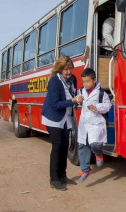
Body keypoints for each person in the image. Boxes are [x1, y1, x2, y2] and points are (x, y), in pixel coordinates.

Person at [41, 56, 84, 191]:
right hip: (53, 118)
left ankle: (63, 176)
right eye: (65, 69)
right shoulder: (54, 81)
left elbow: (74, 94)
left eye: (70, 68)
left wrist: (79, 99)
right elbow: (54, 104)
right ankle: (54, 179)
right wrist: (72, 101)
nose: (68, 72)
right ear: (60, 69)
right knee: (57, 145)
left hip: (66, 117)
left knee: (65, 145)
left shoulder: (73, 79)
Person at [77, 68, 112, 182]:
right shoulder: (81, 90)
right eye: (83, 81)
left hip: (96, 123)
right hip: (84, 123)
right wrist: (79, 100)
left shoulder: (101, 93)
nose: (85, 84)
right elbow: (78, 101)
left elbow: (107, 106)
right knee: (83, 146)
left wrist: (97, 107)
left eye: (87, 81)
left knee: (94, 144)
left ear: (94, 80)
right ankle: (85, 170)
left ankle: (98, 154)